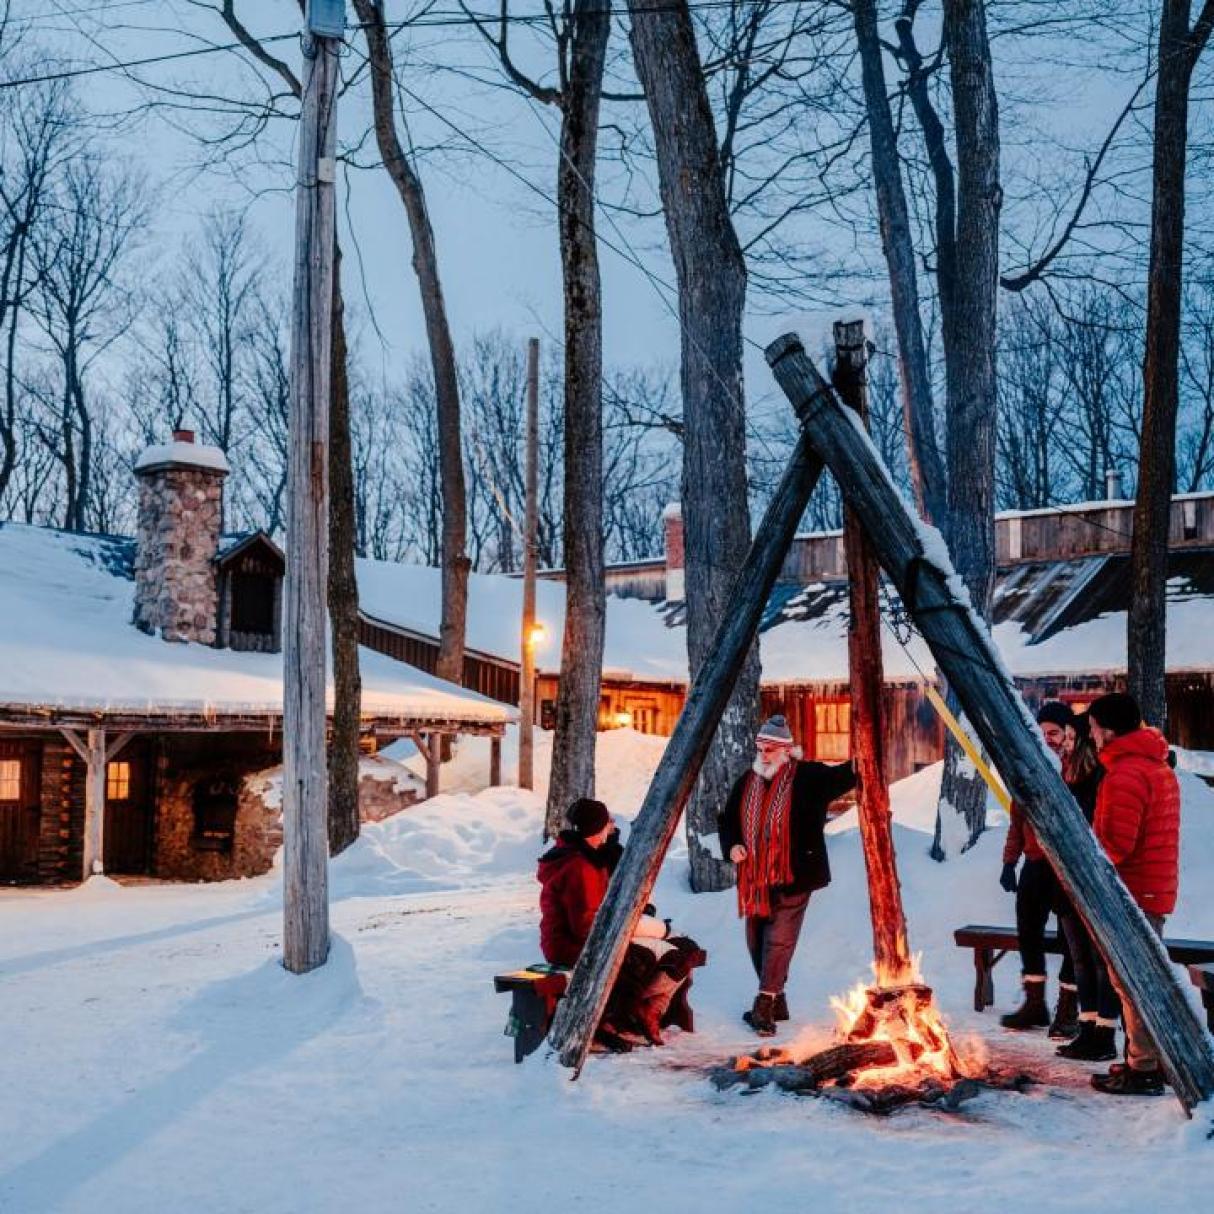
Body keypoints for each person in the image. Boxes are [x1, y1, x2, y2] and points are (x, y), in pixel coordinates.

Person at [717, 714, 856, 1037]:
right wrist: (733, 845)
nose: (763, 754)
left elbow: (849, 775)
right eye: (760, 748)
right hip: (754, 877)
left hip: (796, 873)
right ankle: (776, 998)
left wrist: (864, 745)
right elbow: (727, 819)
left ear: (785, 750)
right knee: (757, 940)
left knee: (780, 938)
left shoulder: (809, 777)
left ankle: (764, 1005)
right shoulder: (747, 781)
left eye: (769, 749)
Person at [537, 797, 702, 1051]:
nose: (612, 826)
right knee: (639, 957)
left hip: (594, 936)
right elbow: (586, 925)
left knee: (685, 949)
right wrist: (637, 929)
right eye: (607, 822)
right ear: (596, 828)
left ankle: (648, 1010)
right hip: (571, 944)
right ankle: (611, 1021)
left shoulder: (593, 857)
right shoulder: (579, 866)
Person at [1085, 692, 1180, 1096]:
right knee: (1136, 981)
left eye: (1091, 729)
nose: (1091, 737)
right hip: (1150, 888)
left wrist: (1084, 846)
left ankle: (1145, 1068)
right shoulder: (1153, 765)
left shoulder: (1126, 774)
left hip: (1134, 892)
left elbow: (1116, 846)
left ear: (1106, 730)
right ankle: (1143, 1062)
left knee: (1133, 982)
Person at [998, 701, 1078, 1037]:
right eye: (1043, 733)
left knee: (1069, 940)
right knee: (1028, 932)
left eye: (1054, 733)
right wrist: (1008, 862)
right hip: (1034, 864)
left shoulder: (1076, 769)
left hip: (1068, 868)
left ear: (1067, 734)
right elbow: (1017, 821)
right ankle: (1035, 1003)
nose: (1049, 739)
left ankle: (1068, 1009)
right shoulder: (1028, 768)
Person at [1054, 711, 1122, 1062]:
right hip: (1067, 878)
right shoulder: (1066, 777)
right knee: (1079, 957)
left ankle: (1105, 1033)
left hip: (1091, 880)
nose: (1064, 743)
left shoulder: (1099, 779)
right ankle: (1087, 1026)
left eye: (1068, 736)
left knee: (1099, 960)